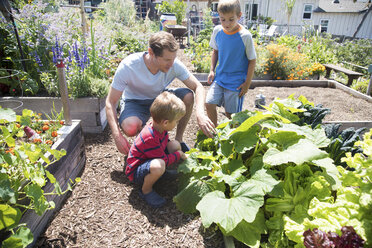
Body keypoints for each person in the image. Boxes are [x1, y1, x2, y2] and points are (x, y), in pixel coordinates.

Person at [105, 31, 215, 155]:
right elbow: (110, 102)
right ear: (151, 53)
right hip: (134, 101)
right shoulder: (129, 66)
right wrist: (117, 136)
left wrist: (200, 113)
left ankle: (179, 141)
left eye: (173, 59)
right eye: (167, 59)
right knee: (130, 127)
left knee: (188, 96)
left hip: (158, 99)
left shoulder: (173, 64)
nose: (171, 64)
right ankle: (150, 144)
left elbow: (198, 86)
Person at [125, 92, 187, 208]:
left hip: (150, 160)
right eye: (177, 121)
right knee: (159, 165)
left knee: (174, 144)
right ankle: (146, 190)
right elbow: (162, 159)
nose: (177, 123)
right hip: (136, 171)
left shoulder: (159, 127)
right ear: (166, 122)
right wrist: (178, 155)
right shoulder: (150, 137)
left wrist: (176, 152)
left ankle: (163, 173)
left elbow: (163, 147)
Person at [206, 0, 257, 127]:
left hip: (236, 83)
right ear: (219, 16)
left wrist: (247, 84)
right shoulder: (218, 31)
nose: (226, 23)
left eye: (231, 19)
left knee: (231, 114)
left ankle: (232, 137)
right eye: (223, 19)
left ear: (239, 16)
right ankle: (215, 133)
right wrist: (212, 70)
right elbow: (215, 51)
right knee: (209, 103)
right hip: (220, 78)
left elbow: (252, 60)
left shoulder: (245, 36)